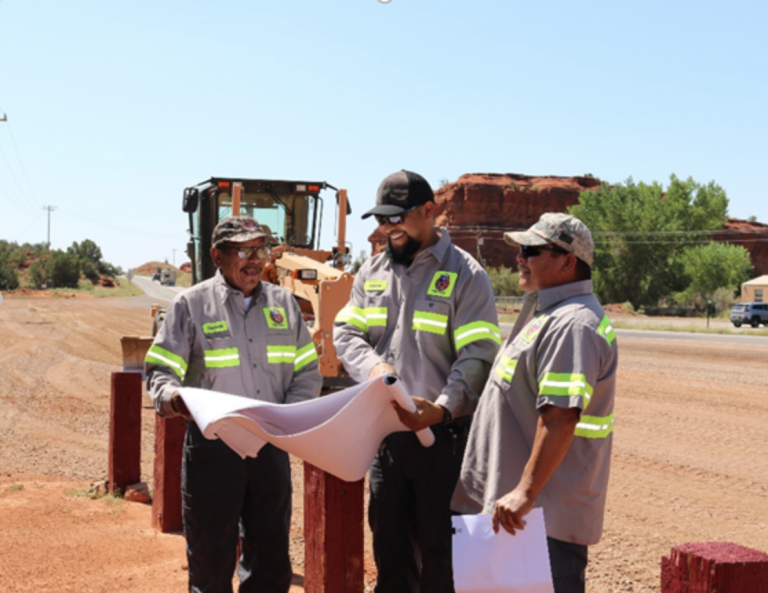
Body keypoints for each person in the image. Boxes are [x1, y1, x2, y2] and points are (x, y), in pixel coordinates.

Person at [333, 170, 500, 593]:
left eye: (398, 217)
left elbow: (478, 355)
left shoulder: (466, 275)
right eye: (381, 219)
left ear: (429, 211)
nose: (388, 228)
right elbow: (347, 333)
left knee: (442, 559)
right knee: (390, 552)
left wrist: (441, 409)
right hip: (386, 441)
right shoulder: (371, 272)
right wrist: (373, 369)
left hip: (442, 442)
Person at [145, 215, 322, 593]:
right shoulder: (191, 305)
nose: (255, 260)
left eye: (260, 249)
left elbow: (307, 371)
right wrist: (175, 398)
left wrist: (287, 417)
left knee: (271, 565)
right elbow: (161, 372)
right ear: (217, 256)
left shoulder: (284, 304)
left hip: (269, 448)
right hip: (213, 451)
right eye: (243, 250)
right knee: (210, 562)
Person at [451, 213, 618, 593]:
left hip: (538, 522)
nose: (519, 258)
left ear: (567, 261)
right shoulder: (549, 314)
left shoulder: (574, 324)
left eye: (531, 250)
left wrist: (525, 493)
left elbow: (560, 418)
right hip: (516, 517)